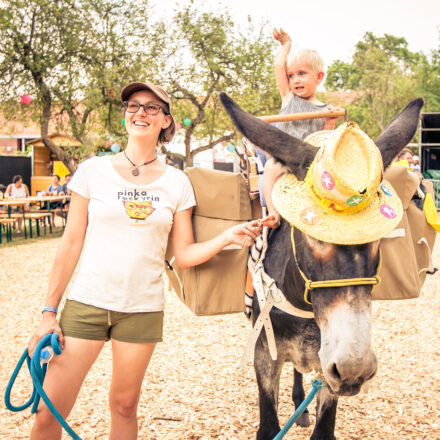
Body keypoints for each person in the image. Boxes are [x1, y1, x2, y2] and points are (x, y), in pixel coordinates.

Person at [27, 81, 270, 440]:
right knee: (49, 411)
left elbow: (184, 256)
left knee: (124, 405)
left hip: (142, 309)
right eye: (133, 105)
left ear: (165, 121)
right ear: (125, 116)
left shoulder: (177, 183)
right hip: (86, 303)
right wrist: (48, 312)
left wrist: (226, 238)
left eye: (151, 107)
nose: (140, 112)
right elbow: (71, 242)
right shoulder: (92, 171)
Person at [262, 28, 342, 227]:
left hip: (310, 161)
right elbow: (279, 65)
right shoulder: (289, 98)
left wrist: (330, 122)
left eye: (302, 74)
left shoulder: (324, 109)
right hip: (285, 158)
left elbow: (325, 139)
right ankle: (273, 213)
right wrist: (286, 44)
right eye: (291, 76)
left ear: (319, 77)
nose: (295, 79)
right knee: (271, 167)